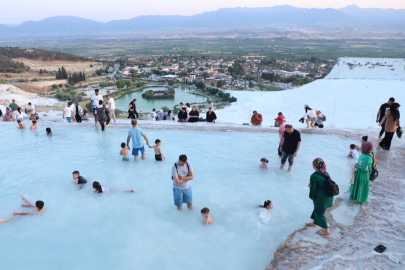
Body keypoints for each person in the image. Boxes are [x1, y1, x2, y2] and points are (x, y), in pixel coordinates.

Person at [306, 158, 334, 236]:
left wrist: (312, 197)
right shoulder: (325, 173)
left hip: (321, 198)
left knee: (320, 213)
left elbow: (313, 190)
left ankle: (326, 230)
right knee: (317, 209)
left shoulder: (314, 175)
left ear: (314, 165)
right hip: (329, 196)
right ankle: (315, 222)